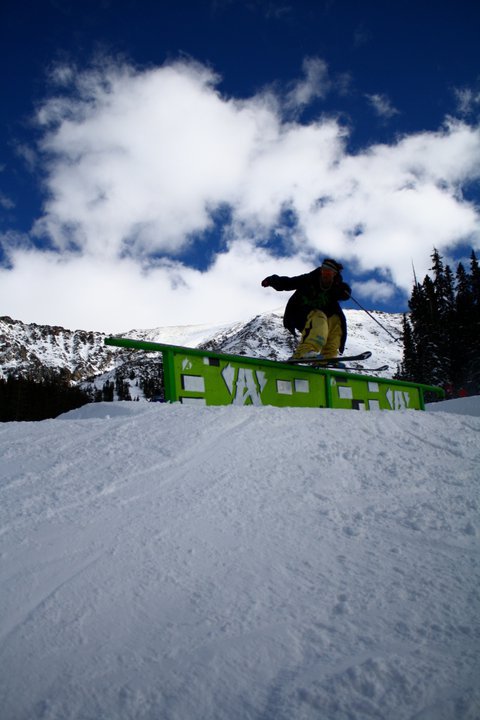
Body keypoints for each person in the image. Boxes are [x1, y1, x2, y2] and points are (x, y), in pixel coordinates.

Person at [261, 258, 351, 360]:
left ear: (334, 274)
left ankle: (328, 356)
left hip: (319, 317)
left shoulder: (334, 290)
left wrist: (344, 292)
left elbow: (343, 296)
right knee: (318, 316)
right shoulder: (309, 279)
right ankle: (304, 351)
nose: (325, 274)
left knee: (336, 322)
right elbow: (289, 282)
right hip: (299, 313)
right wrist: (272, 280)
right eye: (323, 270)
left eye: (328, 272)